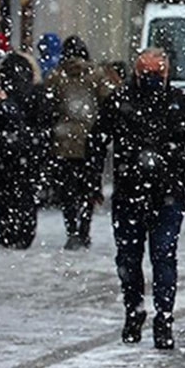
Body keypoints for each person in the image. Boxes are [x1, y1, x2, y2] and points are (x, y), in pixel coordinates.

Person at [87, 49, 185, 349]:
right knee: (129, 258)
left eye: (158, 71)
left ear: (167, 73)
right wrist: (91, 182)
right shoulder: (120, 102)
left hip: (166, 194)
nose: (152, 77)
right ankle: (134, 311)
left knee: (163, 256)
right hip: (131, 193)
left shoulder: (180, 103)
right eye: (147, 71)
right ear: (136, 72)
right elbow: (97, 141)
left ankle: (163, 318)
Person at [44, 36, 115, 249]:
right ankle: (85, 228)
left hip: (63, 141)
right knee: (89, 188)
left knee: (68, 190)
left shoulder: (56, 76)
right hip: (90, 140)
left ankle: (72, 229)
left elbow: (48, 105)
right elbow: (109, 101)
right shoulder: (97, 75)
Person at [0, 52, 51, 248]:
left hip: (6, 148)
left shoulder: (1, 92)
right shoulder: (35, 91)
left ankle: (6, 232)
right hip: (28, 149)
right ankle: (23, 233)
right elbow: (44, 118)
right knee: (25, 192)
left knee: (7, 190)